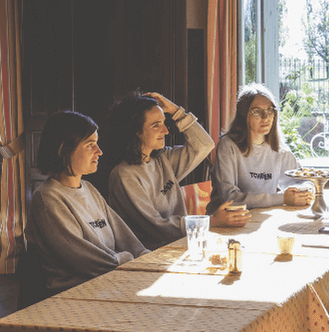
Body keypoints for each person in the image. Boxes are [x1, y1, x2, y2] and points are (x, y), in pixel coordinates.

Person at [25, 110, 148, 295]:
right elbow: (85, 261)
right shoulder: (47, 198)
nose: (99, 151)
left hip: (109, 283)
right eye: (90, 145)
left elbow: (125, 236)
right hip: (74, 295)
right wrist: (128, 260)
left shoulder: (88, 188)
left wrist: (145, 258)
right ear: (63, 149)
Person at [107, 91, 250, 249]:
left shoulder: (163, 158)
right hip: (151, 257)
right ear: (136, 131)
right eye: (156, 125)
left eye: (164, 123)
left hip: (182, 244)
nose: (166, 131)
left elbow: (204, 145)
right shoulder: (123, 175)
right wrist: (211, 221)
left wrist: (177, 112)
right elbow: (156, 227)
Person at [210, 84, 313, 209]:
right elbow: (230, 198)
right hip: (227, 222)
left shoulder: (279, 149)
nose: (265, 117)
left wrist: (304, 191)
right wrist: (282, 198)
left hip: (263, 217)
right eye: (256, 112)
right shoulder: (228, 146)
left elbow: (303, 181)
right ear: (243, 115)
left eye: (270, 110)